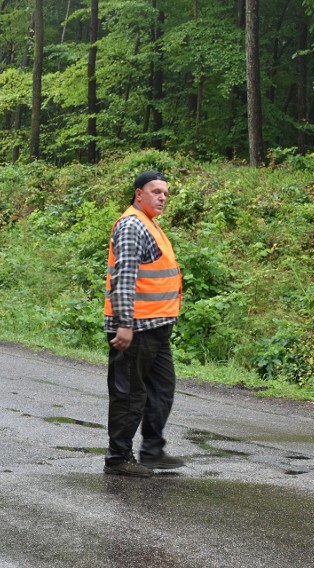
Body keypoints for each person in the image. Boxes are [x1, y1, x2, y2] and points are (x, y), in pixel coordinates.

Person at [103, 170, 185, 477]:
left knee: (161, 389)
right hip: (135, 328)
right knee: (129, 393)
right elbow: (124, 278)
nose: (162, 197)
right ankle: (117, 458)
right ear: (139, 194)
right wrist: (125, 323)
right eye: (155, 191)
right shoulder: (132, 226)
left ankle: (152, 450)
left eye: (165, 192)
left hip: (157, 327)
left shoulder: (150, 225)